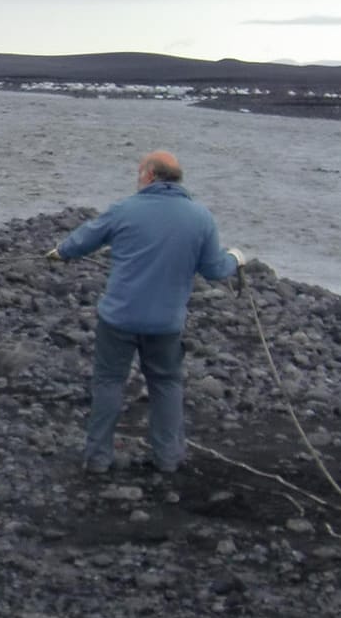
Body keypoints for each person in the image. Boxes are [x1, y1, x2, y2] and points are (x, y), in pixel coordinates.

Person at [48, 151, 244, 474]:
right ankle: (167, 460)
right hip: (165, 324)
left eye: (139, 173)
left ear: (151, 175)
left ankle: (98, 459)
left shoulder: (125, 209)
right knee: (166, 384)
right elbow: (214, 270)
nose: (137, 178)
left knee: (109, 382)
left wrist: (59, 253)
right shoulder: (201, 218)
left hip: (118, 318)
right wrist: (236, 258)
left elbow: (84, 239)